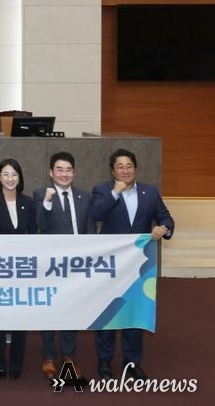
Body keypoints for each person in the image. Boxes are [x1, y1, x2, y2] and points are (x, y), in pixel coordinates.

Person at [91, 148, 174, 381]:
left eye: (129, 166)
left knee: (134, 312)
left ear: (135, 168)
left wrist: (164, 228)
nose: (125, 170)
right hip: (110, 265)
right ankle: (104, 361)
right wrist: (115, 193)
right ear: (112, 171)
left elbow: (166, 217)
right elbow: (96, 214)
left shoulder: (150, 192)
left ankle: (132, 362)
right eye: (120, 166)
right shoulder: (102, 190)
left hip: (139, 265)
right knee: (108, 311)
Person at [33, 152, 95, 380]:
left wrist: (90, 256)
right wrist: (48, 202)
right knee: (50, 309)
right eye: (59, 169)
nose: (64, 174)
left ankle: (69, 356)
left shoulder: (84, 196)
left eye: (68, 170)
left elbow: (90, 228)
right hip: (52, 263)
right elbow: (41, 224)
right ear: (51, 173)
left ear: (74, 172)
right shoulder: (41, 194)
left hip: (77, 262)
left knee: (72, 308)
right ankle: (49, 356)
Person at [0, 158, 36, 381]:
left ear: (19, 177)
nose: (10, 178)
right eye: (5, 174)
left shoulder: (28, 202)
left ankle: (16, 362)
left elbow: (33, 233)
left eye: (14, 174)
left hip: (21, 267)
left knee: (19, 318)